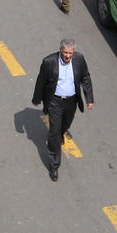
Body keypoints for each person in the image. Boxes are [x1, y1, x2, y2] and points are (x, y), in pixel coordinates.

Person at [30, 38, 95, 181]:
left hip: (71, 101)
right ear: (60, 50)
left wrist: (89, 98)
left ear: (74, 52)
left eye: (70, 53)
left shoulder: (79, 59)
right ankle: (54, 166)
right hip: (55, 101)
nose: (67, 56)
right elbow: (41, 81)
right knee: (54, 133)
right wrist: (37, 99)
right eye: (65, 53)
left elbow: (85, 77)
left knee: (65, 125)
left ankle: (59, 134)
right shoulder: (49, 62)